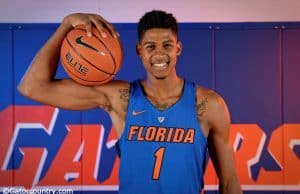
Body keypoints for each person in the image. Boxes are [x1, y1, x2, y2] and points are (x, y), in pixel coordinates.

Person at [18, 10, 242, 194]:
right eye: (150, 46)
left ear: (178, 49)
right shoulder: (120, 98)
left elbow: (230, 182)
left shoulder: (208, 104)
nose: (159, 54)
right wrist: (66, 24)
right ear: (139, 51)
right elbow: (32, 87)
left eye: (167, 45)